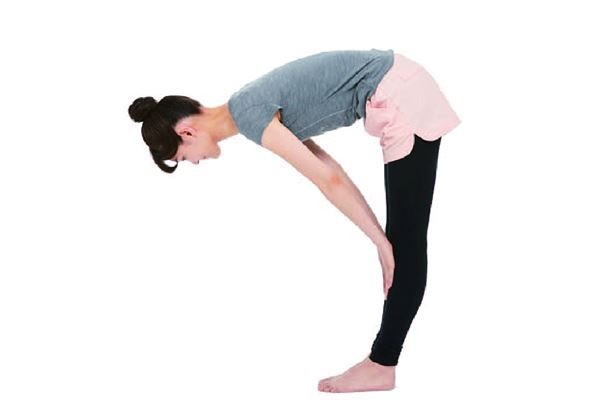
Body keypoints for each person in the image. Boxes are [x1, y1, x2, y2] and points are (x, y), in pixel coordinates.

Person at [128, 48, 461, 393]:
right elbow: (329, 169)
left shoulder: (249, 114)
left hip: (400, 94)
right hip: (401, 87)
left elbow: (328, 181)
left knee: (403, 248)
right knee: (400, 244)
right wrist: (378, 238)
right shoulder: (247, 107)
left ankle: (382, 364)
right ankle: (382, 362)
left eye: (183, 158)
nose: (194, 163)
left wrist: (380, 242)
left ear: (186, 132)